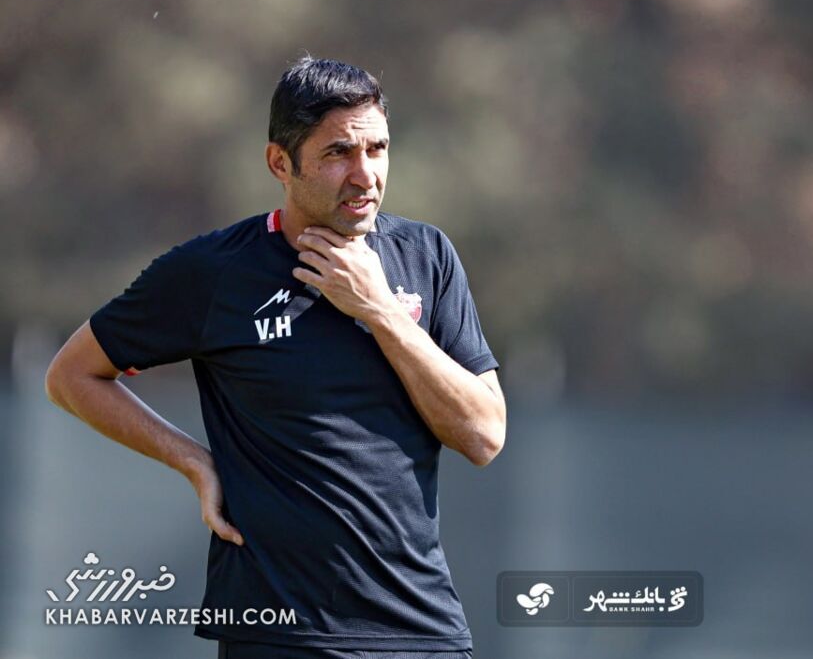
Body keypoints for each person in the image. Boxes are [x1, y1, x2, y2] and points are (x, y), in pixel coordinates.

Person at [44, 57, 505, 658]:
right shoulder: (215, 271)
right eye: (338, 153)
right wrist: (194, 461)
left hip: (422, 634)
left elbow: (483, 436)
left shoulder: (427, 256)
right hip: (275, 634)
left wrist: (381, 312)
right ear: (280, 164)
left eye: (378, 149)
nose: (365, 174)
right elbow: (72, 376)